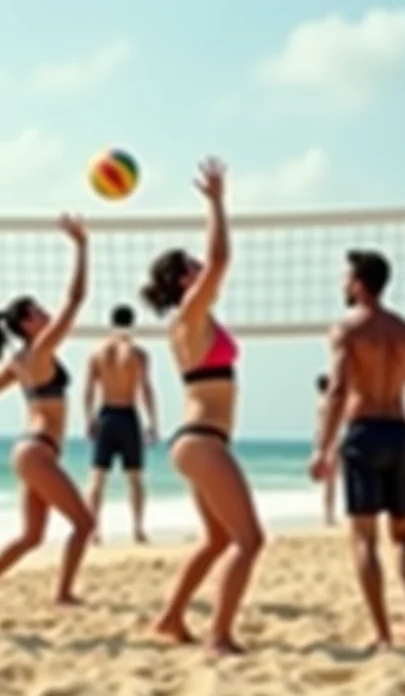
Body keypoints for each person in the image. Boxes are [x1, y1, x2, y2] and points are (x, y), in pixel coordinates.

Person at [140, 157, 264, 656]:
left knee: (217, 540)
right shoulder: (189, 316)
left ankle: (170, 619)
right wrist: (216, 203)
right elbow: (221, 262)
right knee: (250, 541)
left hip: (198, 441)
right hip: (202, 441)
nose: (201, 269)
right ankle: (219, 635)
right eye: (191, 267)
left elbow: (213, 268)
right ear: (181, 281)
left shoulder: (194, 319)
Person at [0, 214, 95, 612]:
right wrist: (82, 248)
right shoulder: (39, 351)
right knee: (84, 524)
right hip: (37, 450)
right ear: (26, 325)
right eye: (38, 312)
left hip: (30, 450)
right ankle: (64, 592)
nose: (47, 314)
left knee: (33, 536)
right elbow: (75, 301)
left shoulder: (21, 359)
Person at [309, 249, 405, 650]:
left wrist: (321, 448)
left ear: (359, 284)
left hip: (363, 432)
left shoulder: (347, 330)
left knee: (363, 538)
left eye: (346, 278)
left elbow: (339, 390)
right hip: (399, 431)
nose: (343, 284)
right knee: (404, 535)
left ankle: (382, 633)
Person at [84, 304, 159, 545]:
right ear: (132, 323)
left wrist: (89, 420)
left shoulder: (97, 354)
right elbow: (146, 388)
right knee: (134, 477)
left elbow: (87, 391)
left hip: (106, 414)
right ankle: (138, 529)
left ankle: (94, 531)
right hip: (128, 414)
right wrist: (153, 422)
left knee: (97, 477)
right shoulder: (138, 354)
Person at [316, 374, 338, 526]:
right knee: (331, 482)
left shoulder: (321, 403)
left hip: (326, 443)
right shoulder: (327, 404)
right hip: (331, 444)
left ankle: (328, 514)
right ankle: (328, 515)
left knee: (329, 482)